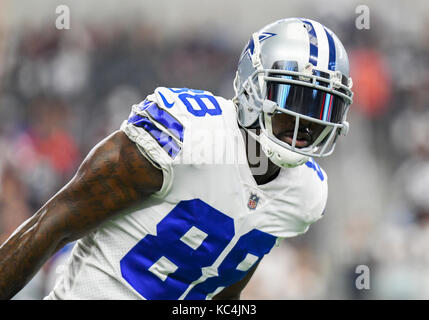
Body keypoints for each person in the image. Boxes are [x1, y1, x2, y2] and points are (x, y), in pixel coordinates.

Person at [0, 18, 353, 300]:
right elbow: (52, 224)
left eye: (322, 107)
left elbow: (223, 288)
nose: (305, 122)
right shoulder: (184, 134)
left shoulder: (304, 194)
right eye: (294, 100)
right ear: (253, 90)